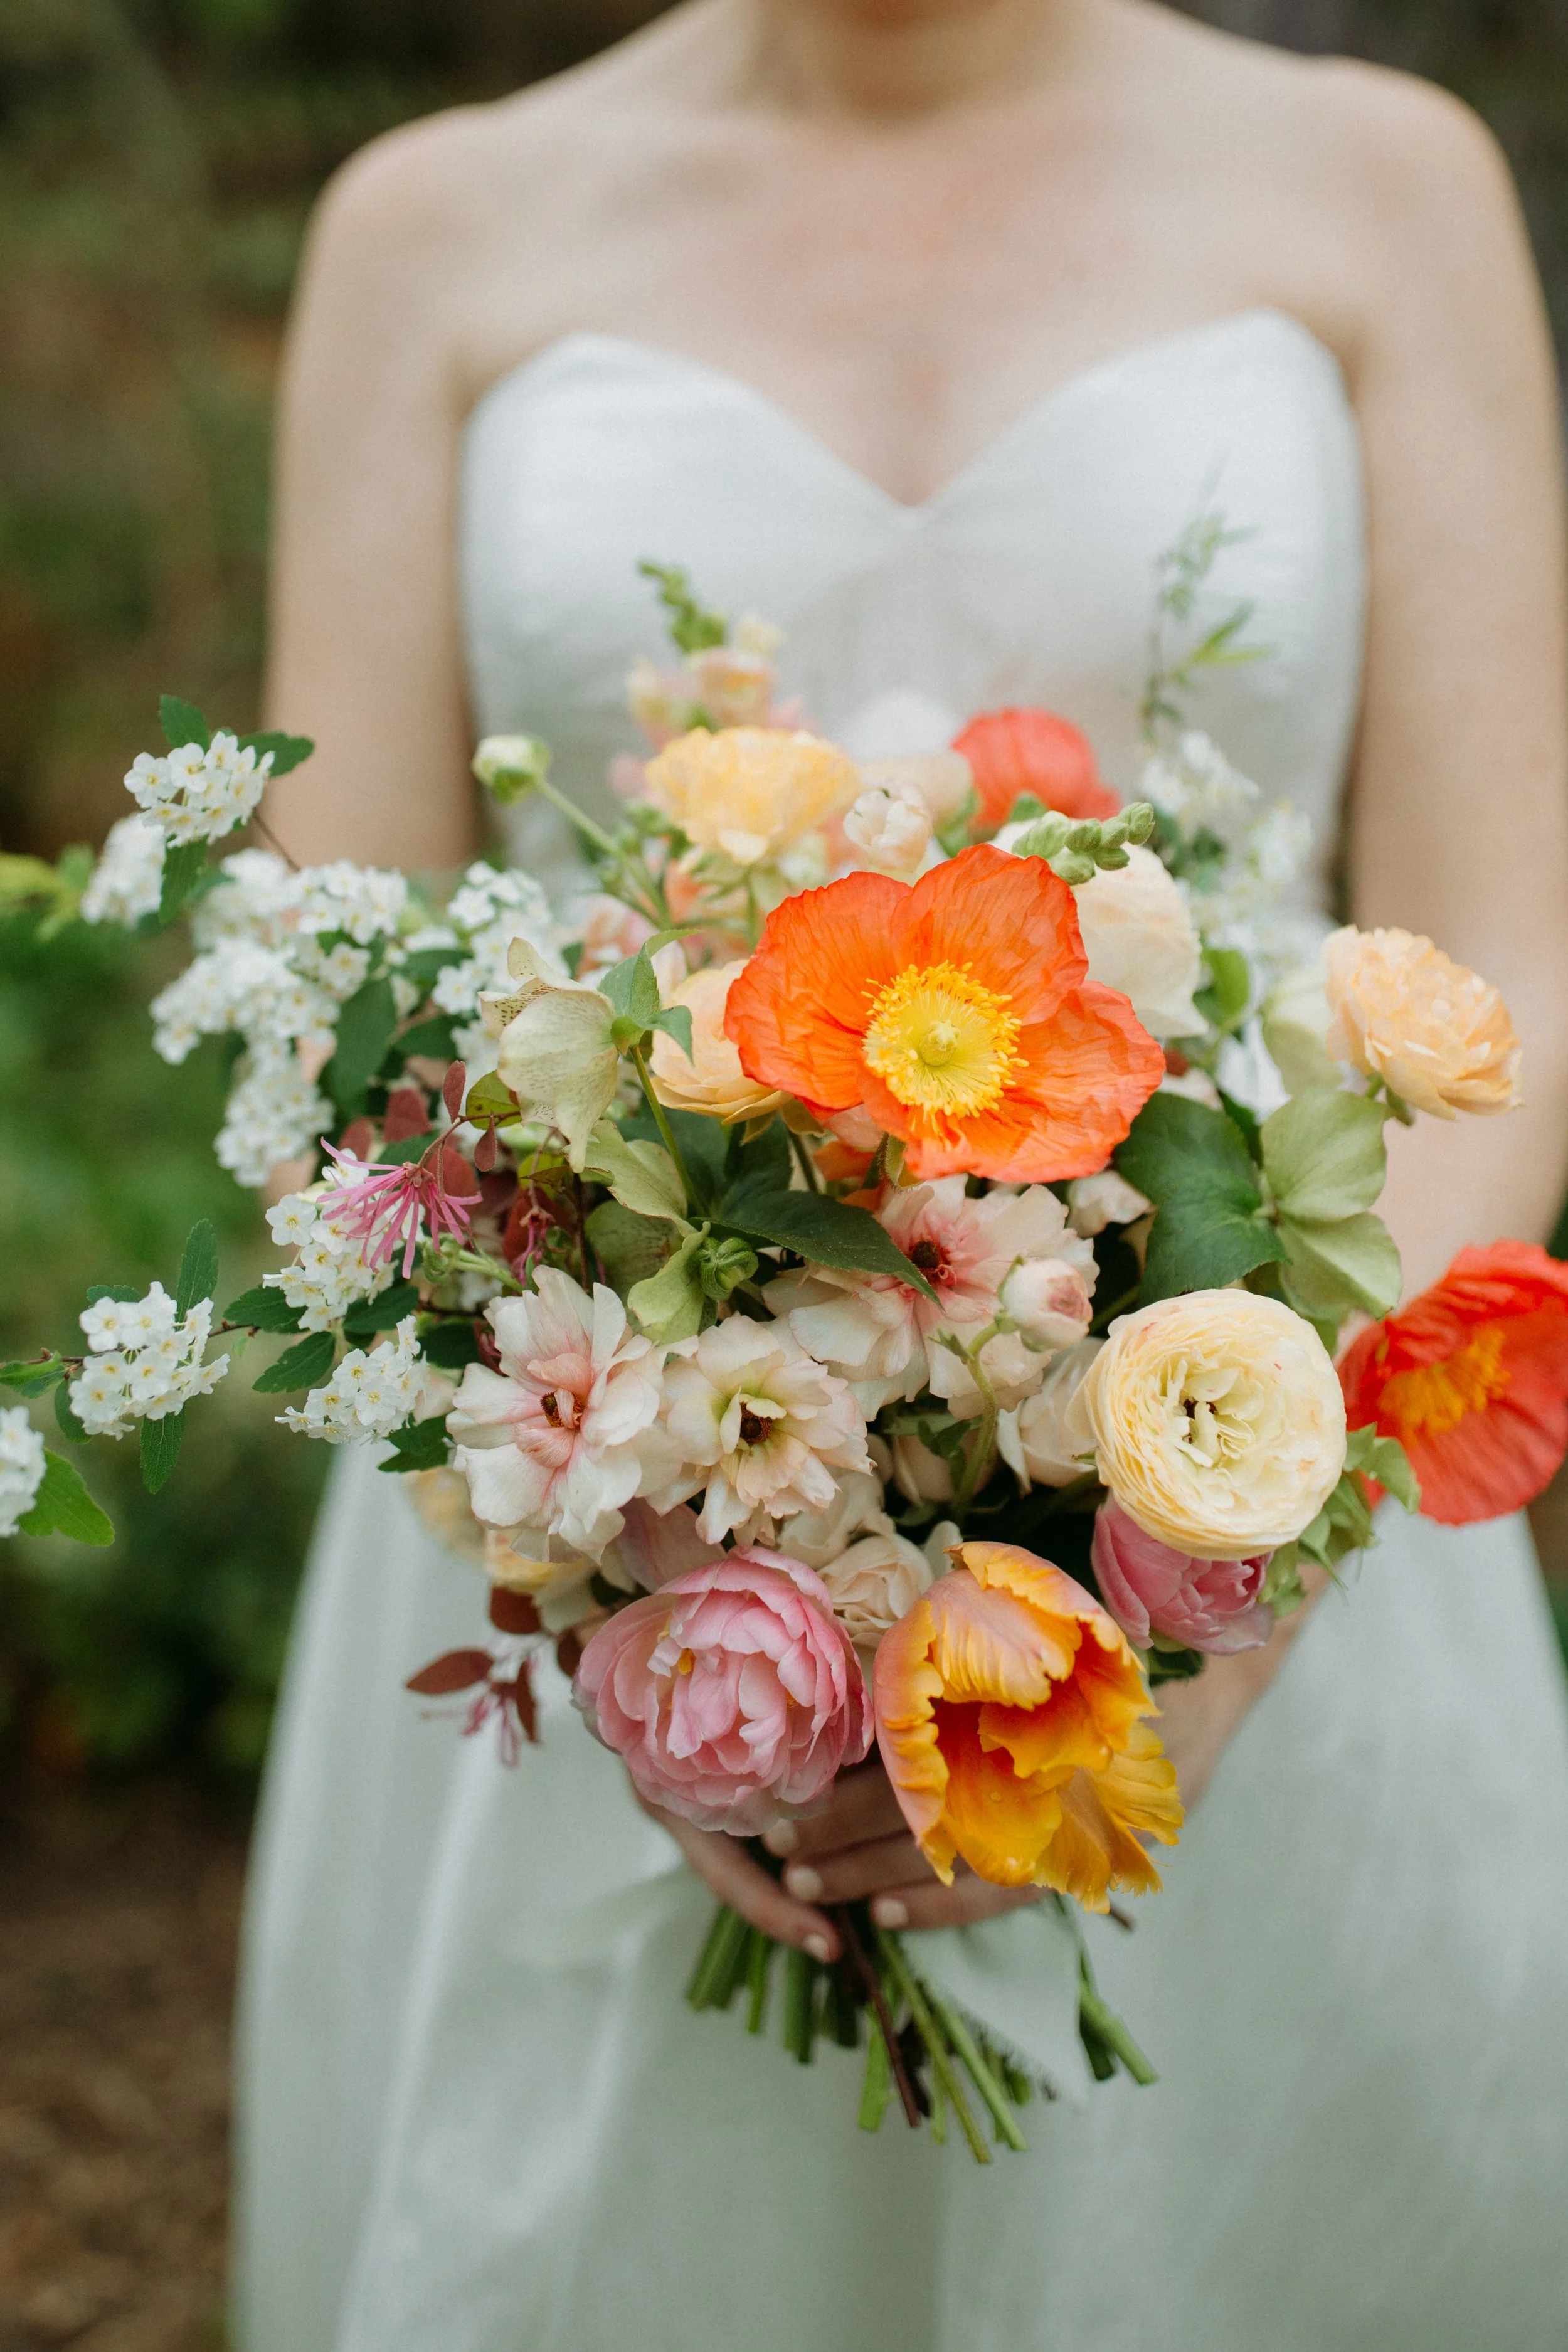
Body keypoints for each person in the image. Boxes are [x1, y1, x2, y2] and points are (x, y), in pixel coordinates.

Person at [238, 3, 1568, 2346]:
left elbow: (1501, 956)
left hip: (1259, 1463)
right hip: (590, 1502)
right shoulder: (430, 229)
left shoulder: (1382, 185)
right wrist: (653, 1601)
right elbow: (328, 996)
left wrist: (1234, 1578)